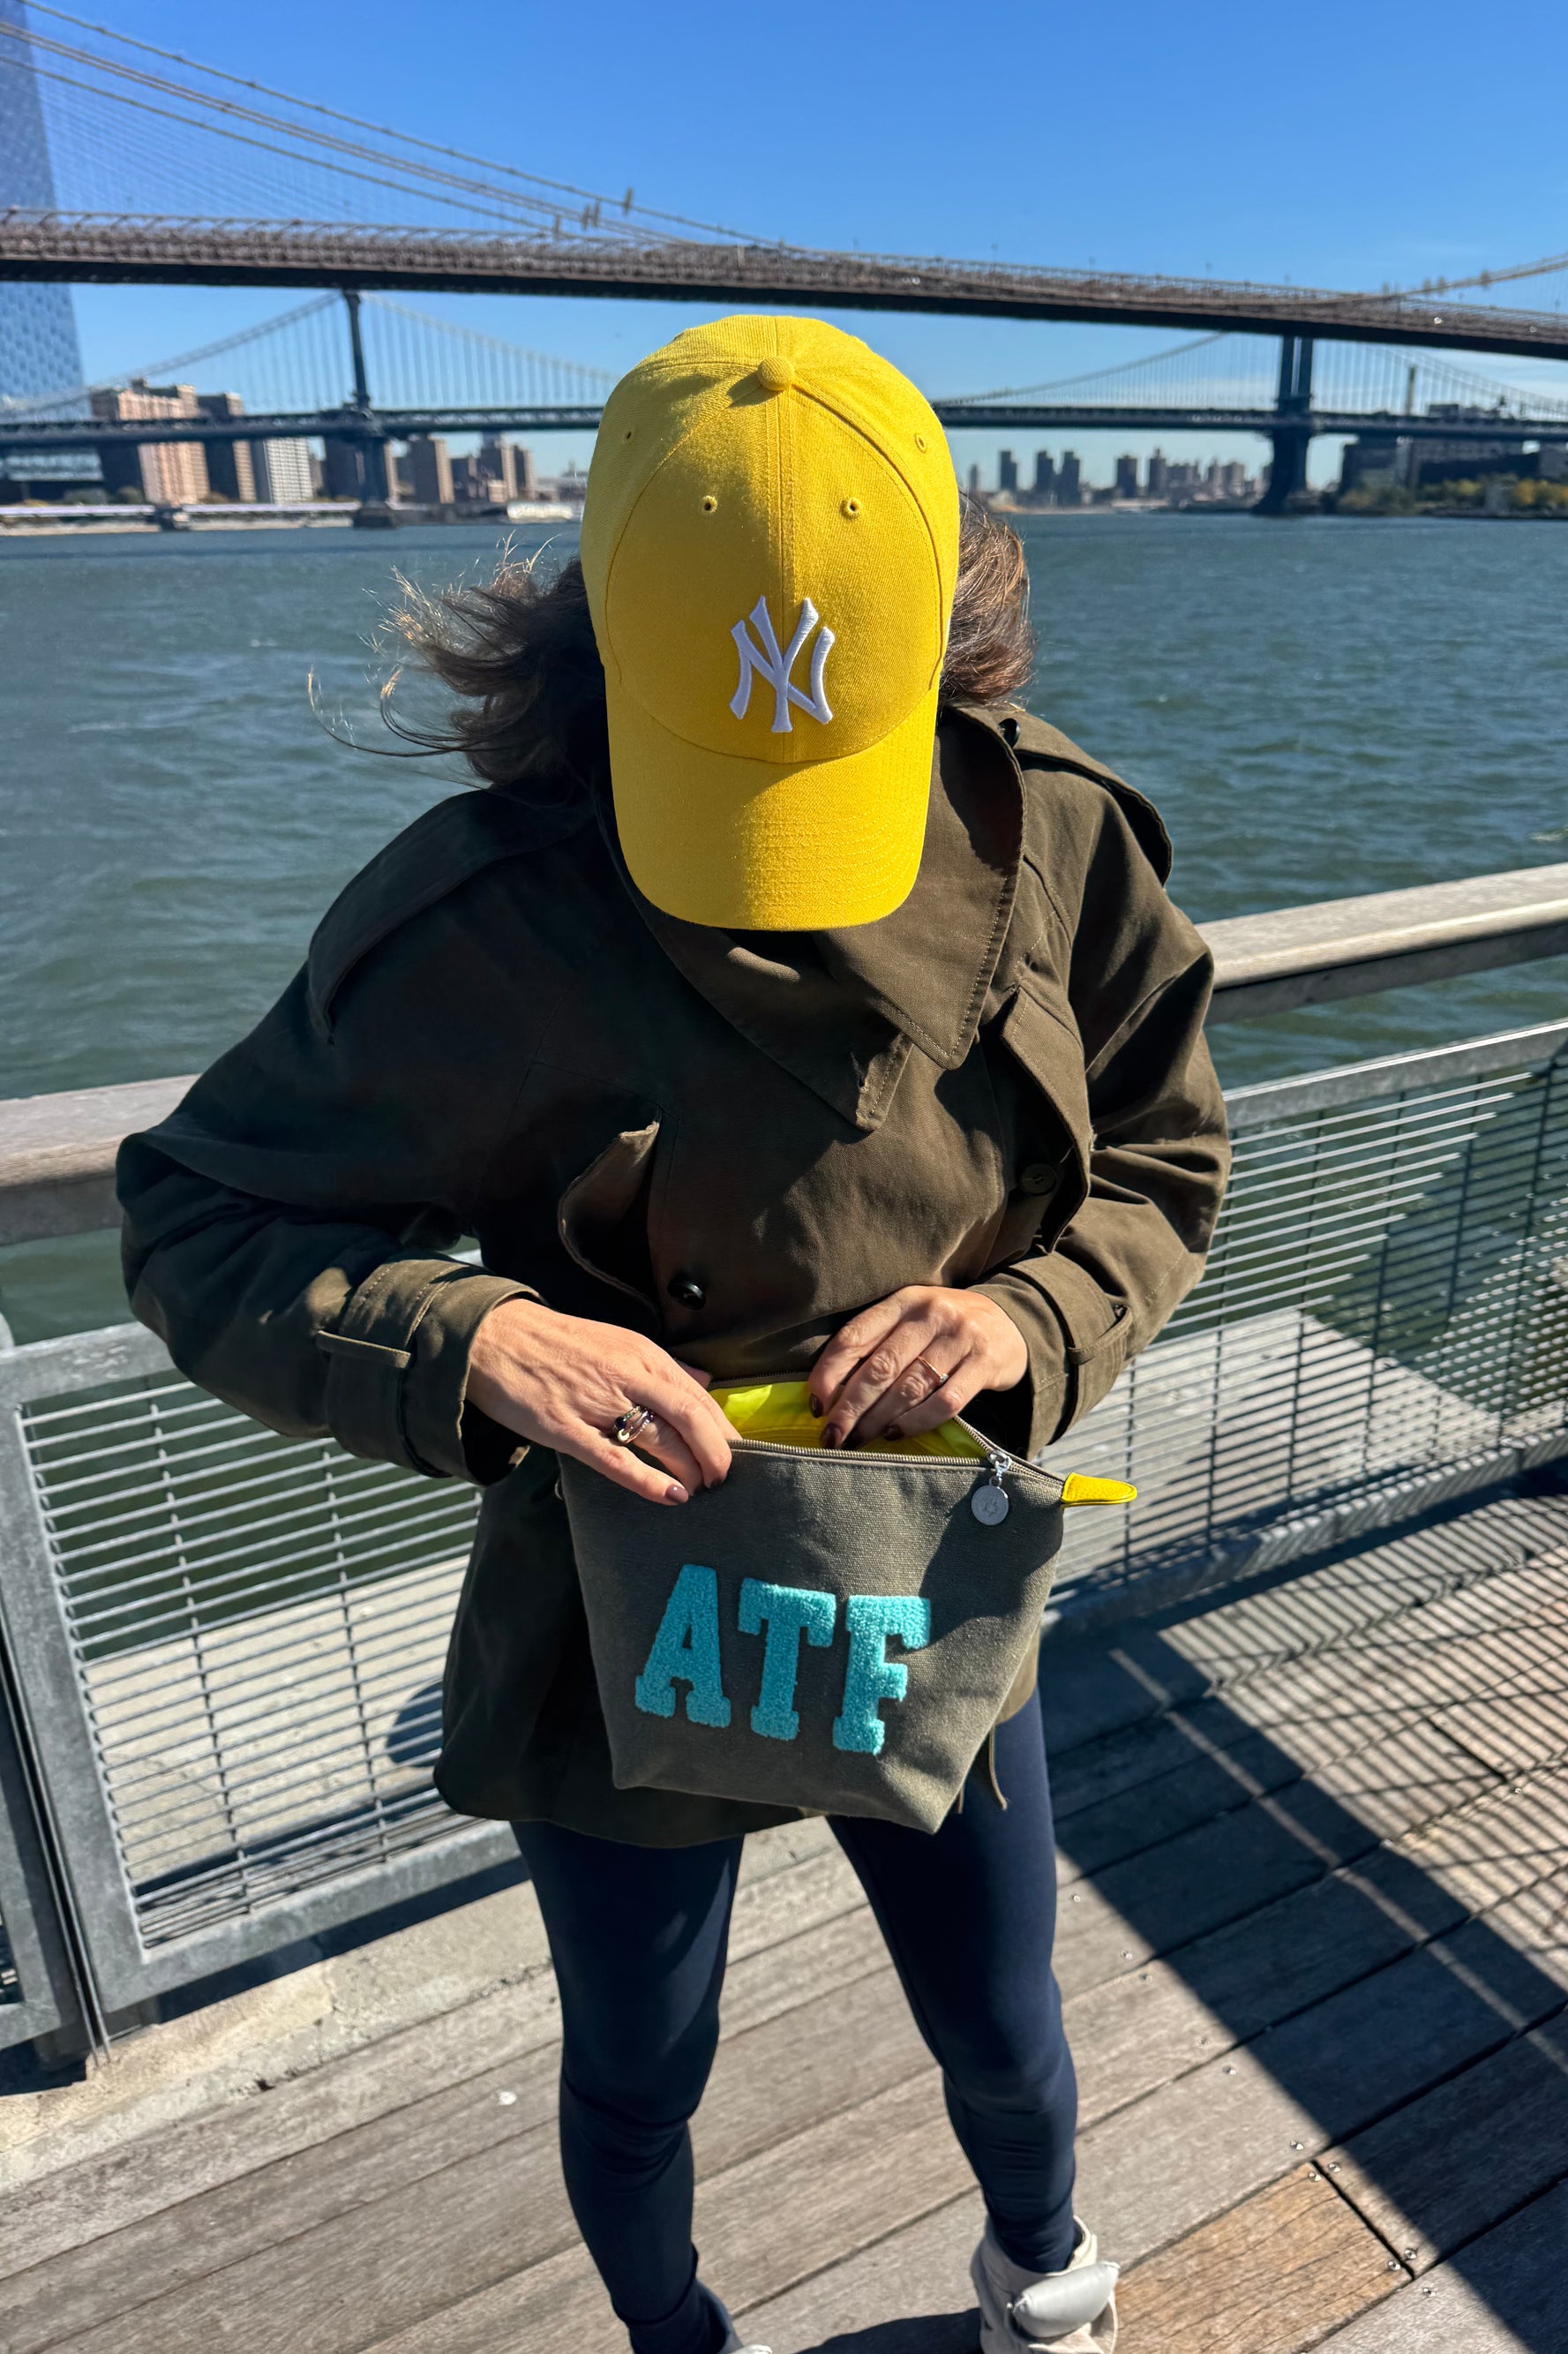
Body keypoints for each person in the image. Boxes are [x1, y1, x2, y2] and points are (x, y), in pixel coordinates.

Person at [117, 314, 1230, 2354]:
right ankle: (673, 2339)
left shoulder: (1062, 838)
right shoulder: (471, 919)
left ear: (946, 641)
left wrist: (1027, 1317)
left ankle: (1045, 2271)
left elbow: (1162, 1154)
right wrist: (465, 1335)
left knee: (1000, 2001)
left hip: (930, 1570)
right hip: (613, 1599)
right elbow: (197, 1208)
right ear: (589, 646)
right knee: (637, 2058)